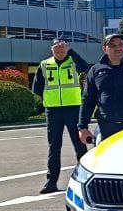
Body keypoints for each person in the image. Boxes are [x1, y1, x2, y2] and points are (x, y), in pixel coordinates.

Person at [31, 38, 90, 194]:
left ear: (67, 48)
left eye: (63, 47)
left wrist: (71, 52)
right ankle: (51, 182)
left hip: (73, 108)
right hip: (53, 110)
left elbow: (86, 67)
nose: (60, 50)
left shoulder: (73, 62)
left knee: (79, 144)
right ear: (51, 49)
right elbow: (36, 88)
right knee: (54, 146)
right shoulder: (44, 64)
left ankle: (86, 179)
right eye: (56, 48)